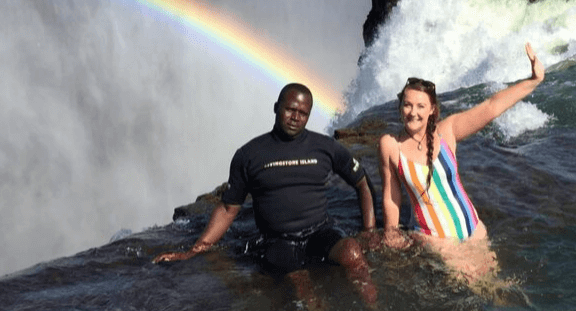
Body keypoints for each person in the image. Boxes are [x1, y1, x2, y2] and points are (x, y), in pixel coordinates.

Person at [154, 83, 377, 305]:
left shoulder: (326, 147)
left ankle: (374, 307)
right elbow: (228, 208)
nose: (295, 117)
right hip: (279, 241)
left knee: (352, 252)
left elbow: (362, 183)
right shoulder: (249, 154)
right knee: (301, 286)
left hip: (320, 230)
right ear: (276, 107)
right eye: (290, 109)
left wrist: (370, 231)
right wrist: (195, 250)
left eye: (303, 113)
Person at [377, 43, 545, 284]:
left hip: (474, 228)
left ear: (432, 109)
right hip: (437, 238)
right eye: (407, 104)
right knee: (481, 290)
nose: (413, 112)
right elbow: (391, 197)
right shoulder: (391, 145)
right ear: (400, 107)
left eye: (420, 106)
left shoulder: (447, 131)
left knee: (503, 290)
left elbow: (491, 107)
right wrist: (391, 233)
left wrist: (533, 81)